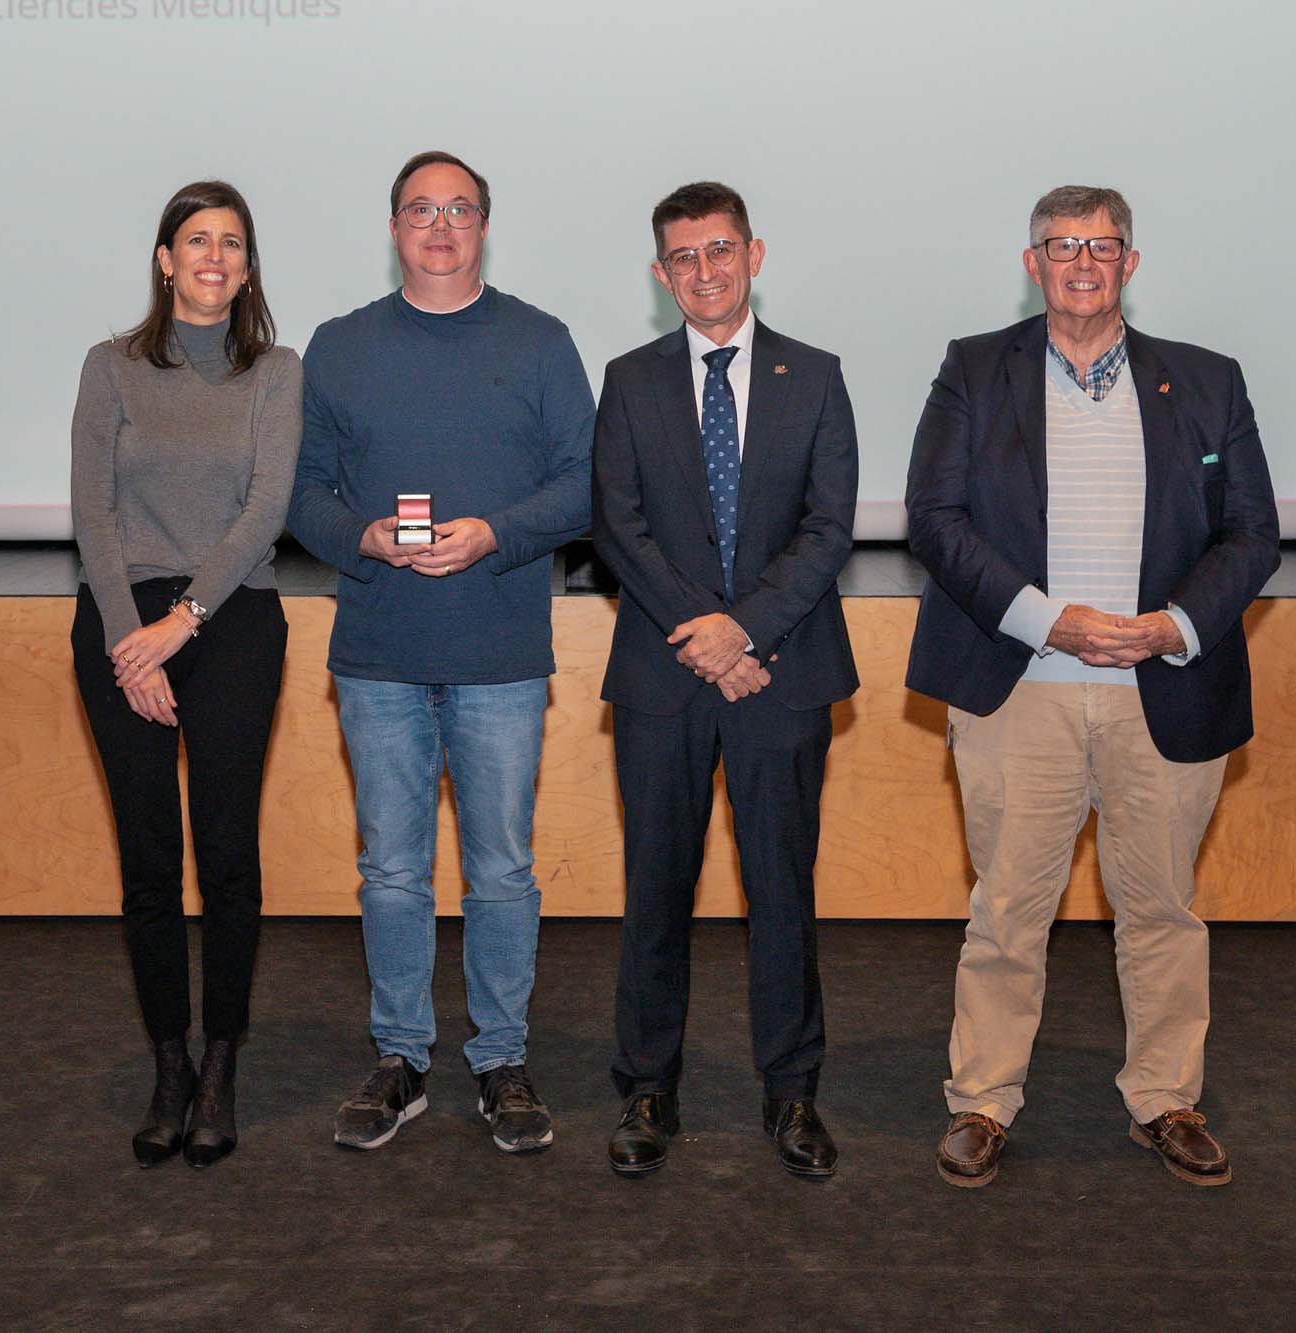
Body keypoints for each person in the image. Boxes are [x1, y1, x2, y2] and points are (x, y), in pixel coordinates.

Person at [905, 185, 1279, 1189]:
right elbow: (934, 518)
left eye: (1102, 245)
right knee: (1007, 907)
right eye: (1062, 245)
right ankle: (982, 1100)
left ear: (1130, 263)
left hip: (1162, 686)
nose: (1082, 262)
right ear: (1031, 263)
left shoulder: (1207, 380)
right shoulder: (973, 368)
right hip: (1019, 683)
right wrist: (1047, 618)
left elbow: (1252, 534)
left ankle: (1165, 1097)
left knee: (1161, 909)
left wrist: (1171, 626)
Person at [288, 150, 594, 1156]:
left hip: (500, 653)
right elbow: (302, 492)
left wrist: (494, 532)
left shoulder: (540, 341)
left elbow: (585, 483)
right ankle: (401, 1056)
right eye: (421, 210)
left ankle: (501, 1059)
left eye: (459, 209)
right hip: (378, 654)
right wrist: (364, 538)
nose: (440, 226)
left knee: (501, 868)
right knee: (391, 870)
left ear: (484, 228)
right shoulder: (339, 347)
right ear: (393, 229)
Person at [591, 182, 859, 1179]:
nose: (703, 270)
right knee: (654, 888)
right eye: (683, 257)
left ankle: (791, 1092)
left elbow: (828, 525)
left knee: (781, 891)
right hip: (663, 677)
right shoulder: (629, 380)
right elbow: (619, 525)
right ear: (660, 275)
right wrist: (703, 635)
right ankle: (646, 1088)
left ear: (754, 254)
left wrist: (743, 631)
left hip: (781, 674)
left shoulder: (815, 376)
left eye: (719, 250)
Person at [70, 180, 300, 1169]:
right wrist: (133, 642)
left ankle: (220, 1063)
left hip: (232, 621)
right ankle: (168, 1063)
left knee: (227, 852)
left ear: (248, 268)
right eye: (197, 240)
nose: (214, 256)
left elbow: (265, 510)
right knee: (149, 859)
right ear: (165, 260)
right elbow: (93, 512)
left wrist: (182, 623)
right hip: (121, 626)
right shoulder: (111, 367)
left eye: (232, 243)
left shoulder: (276, 372)